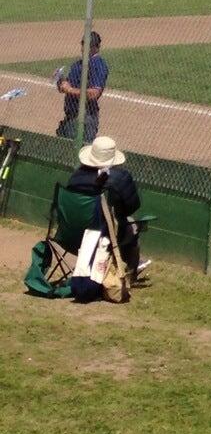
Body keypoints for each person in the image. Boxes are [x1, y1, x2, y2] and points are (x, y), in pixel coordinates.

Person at [67, 134, 145, 279]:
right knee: (132, 224)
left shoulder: (76, 177)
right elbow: (132, 206)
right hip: (105, 238)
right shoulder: (120, 178)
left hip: (72, 235)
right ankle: (130, 271)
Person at [55, 32, 108, 143]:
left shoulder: (98, 65)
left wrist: (69, 89)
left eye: (86, 45)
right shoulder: (78, 64)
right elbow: (66, 87)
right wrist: (61, 82)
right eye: (83, 44)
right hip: (70, 117)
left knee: (78, 153)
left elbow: (94, 93)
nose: (83, 48)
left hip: (85, 118)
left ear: (95, 47)